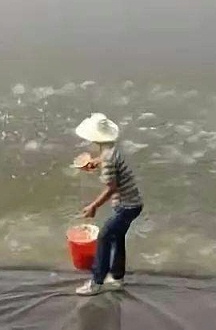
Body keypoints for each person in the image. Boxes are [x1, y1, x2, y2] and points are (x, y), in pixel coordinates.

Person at [73, 113, 144, 296]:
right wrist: (95, 162)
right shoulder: (111, 151)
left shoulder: (107, 159)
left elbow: (111, 188)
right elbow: (108, 161)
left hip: (127, 206)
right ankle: (117, 278)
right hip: (133, 203)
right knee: (117, 237)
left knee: (104, 237)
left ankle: (96, 282)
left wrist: (93, 206)